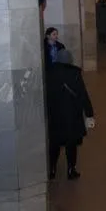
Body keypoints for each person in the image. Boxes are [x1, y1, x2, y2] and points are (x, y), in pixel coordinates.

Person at [45, 49, 94, 180]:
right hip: (72, 114)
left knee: (54, 143)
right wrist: (89, 113)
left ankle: (52, 169)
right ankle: (71, 170)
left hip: (55, 114)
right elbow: (83, 94)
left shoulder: (49, 73)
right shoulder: (75, 73)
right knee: (71, 144)